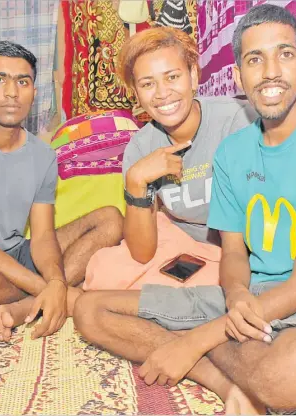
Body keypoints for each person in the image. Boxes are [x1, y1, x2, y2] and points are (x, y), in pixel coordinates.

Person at [74, 4, 296, 414]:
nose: (269, 71)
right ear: (237, 76)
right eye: (254, 59)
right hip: (245, 290)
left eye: (284, 54)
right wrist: (234, 296)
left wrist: (197, 339)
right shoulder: (232, 152)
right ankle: (218, 376)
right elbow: (233, 251)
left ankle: (188, 344)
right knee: (89, 309)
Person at [0, 41, 123, 343]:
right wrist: (50, 287)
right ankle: (56, 296)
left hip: (18, 255)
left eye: (22, 81)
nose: (12, 92)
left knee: (111, 218)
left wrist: (55, 280)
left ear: (33, 93)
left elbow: (42, 236)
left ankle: (29, 304)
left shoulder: (43, 154)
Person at [83, 26, 256, 291]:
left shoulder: (237, 122)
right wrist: (136, 181)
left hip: (241, 249)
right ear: (136, 94)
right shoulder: (140, 147)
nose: (162, 93)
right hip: (183, 243)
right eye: (148, 84)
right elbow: (142, 253)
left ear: (194, 76)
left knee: (213, 291)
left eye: (172, 77)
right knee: (105, 271)